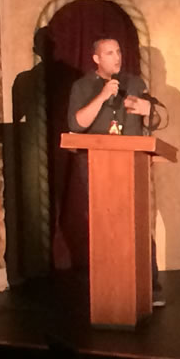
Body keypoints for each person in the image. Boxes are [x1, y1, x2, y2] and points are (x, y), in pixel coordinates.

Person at [67, 36, 165, 304]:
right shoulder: (82, 86)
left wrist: (148, 110)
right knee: (104, 225)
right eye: (109, 53)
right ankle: (109, 289)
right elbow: (75, 125)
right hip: (96, 167)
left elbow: (155, 121)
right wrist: (102, 95)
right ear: (96, 59)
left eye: (118, 51)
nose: (117, 57)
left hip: (131, 163)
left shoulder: (135, 83)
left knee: (136, 222)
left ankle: (150, 287)